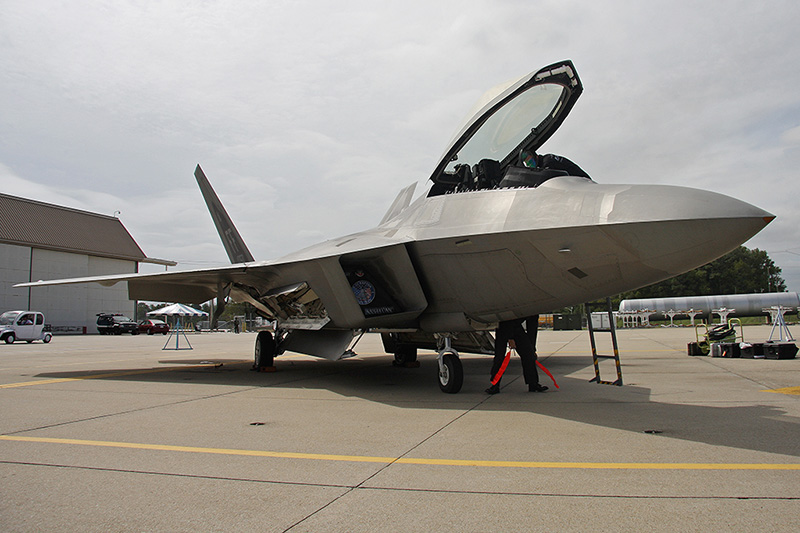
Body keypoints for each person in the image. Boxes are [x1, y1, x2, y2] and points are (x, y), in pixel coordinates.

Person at [486, 318, 548, 394]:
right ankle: (495, 385)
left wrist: (532, 348)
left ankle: (533, 384)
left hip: (516, 327)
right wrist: (510, 338)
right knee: (499, 358)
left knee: (529, 356)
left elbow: (532, 326)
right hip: (504, 327)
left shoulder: (533, 311)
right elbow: (507, 318)